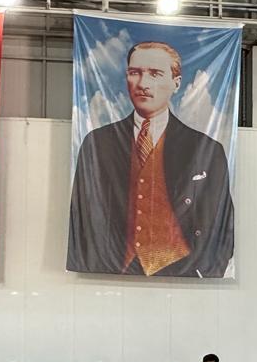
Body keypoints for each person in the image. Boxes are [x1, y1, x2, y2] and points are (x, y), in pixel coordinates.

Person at [68, 40, 234, 278]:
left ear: (176, 83)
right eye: (135, 73)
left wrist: (206, 271)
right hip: (111, 271)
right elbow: (80, 214)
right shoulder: (97, 143)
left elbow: (222, 220)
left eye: (155, 74)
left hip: (183, 272)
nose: (143, 84)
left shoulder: (207, 149)